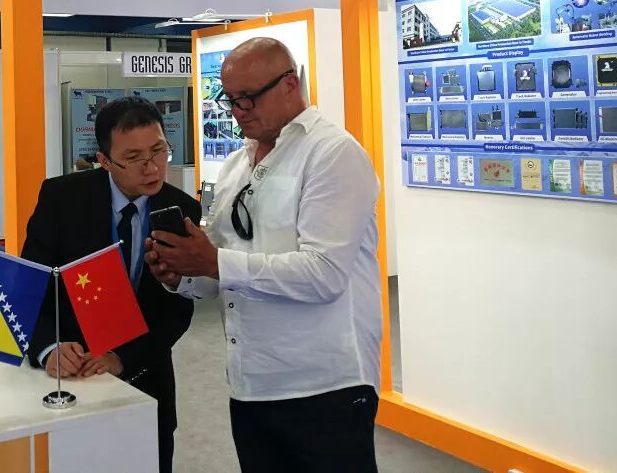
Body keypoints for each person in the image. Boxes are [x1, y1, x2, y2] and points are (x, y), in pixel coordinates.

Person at [146, 37, 382, 473]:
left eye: (249, 97)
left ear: (290, 84)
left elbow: (324, 274)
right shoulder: (237, 165)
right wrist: (183, 273)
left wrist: (213, 261)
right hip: (252, 383)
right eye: (230, 99)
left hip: (324, 387)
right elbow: (224, 266)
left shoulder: (333, 154)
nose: (238, 110)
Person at [23, 97, 200, 473]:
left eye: (159, 150)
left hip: (145, 375)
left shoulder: (182, 209)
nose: (152, 167)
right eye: (133, 157)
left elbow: (177, 306)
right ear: (104, 160)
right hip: (68, 377)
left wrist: (122, 358)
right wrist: (49, 347)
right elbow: (28, 286)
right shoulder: (61, 198)